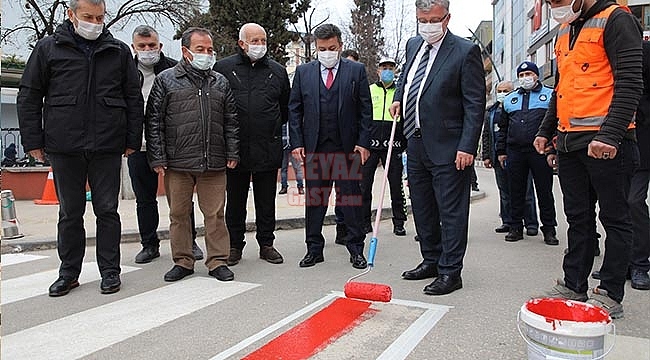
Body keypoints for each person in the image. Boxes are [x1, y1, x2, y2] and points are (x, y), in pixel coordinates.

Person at [17, 0, 143, 296]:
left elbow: (133, 98)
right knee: (70, 213)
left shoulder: (119, 51)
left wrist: (131, 140)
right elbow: (30, 95)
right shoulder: (49, 48)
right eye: (88, 16)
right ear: (71, 15)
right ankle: (69, 273)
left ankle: (110, 272)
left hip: (107, 145)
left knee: (107, 211)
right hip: (65, 145)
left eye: (99, 17)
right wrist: (33, 141)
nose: (94, 23)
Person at [535, 0, 642, 318]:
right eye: (550, 2)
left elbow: (630, 83)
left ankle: (610, 291)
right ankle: (573, 284)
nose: (556, 6)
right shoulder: (565, 29)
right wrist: (546, 130)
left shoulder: (617, 20)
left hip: (608, 144)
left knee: (616, 218)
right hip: (570, 143)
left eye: (560, 0)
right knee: (579, 218)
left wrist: (609, 135)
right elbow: (562, 88)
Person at [389, 0, 485, 295]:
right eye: (422, 19)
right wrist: (399, 98)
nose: (428, 25)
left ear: (447, 18)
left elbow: (474, 103)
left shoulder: (465, 51)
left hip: (449, 146)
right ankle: (430, 259)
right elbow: (408, 76)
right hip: (415, 142)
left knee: (451, 211)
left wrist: (468, 145)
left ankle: (450, 271)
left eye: (434, 19)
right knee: (423, 207)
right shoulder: (412, 44)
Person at [146, 27, 239, 282]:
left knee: (215, 214)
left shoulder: (220, 81)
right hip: (178, 162)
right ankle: (183, 261)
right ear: (185, 51)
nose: (206, 55)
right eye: (200, 49)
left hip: (214, 162)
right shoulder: (165, 80)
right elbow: (154, 121)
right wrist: (158, 157)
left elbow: (231, 120)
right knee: (178, 214)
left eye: (210, 50)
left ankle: (217, 261)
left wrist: (232, 151)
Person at [289, 24, 372, 269]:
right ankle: (314, 249)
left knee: (350, 201)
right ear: (315, 48)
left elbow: (365, 111)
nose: (327, 52)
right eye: (322, 49)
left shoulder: (355, 71)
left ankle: (356, 249)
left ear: (340, 46)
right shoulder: (304, 73)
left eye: (332, 48)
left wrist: (363, 143)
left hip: (347, 149)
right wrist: (297, 143)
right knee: (315, 201)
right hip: (316, 147)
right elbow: (295, 110)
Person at [214, 23, 290, 266]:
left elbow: (285, 109)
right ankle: (234, 245)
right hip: (235, 149)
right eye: (254, 41)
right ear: (242, 44)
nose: (259, 46)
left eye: (263, 40)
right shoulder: (224, 68)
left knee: (266, 201)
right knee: (235, 201)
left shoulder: (277, 71)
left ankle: (266, 244)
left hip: (267, 146)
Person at [129, 25, 203, 264]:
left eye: (152, 45)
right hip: (139, 145)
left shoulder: (174, 69)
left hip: (173, 145)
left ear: (160, 46)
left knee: (180, 198)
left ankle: (189, 241)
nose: (148, 50)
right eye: (142, 46)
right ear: (134, 48)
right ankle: (149, 244)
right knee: (145, 198)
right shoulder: (125, 72)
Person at [496, 61, 559, 245]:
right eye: (522, 76)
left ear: (536, 75)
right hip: (515, 151)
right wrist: (501, 151)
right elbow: (503, 128)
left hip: (540, 151)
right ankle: (516, 227)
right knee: (516, 191)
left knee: (544, 191)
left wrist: (553, 150)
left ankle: (549, 229)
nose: (525, 78)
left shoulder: (549, 95)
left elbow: (556, 125)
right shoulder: (510, 99)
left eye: (529, 74)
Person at [482, 80, 539, 235]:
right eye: (499, 91)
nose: (502, 94)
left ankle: (531, 223)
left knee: (525, 191)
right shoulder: (491, 111)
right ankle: (508, 221)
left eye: (506, 90)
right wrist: (486, 156)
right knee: (504, 191)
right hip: (498, 156)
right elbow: (486, 134)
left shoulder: (519, 106)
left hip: (517, 155)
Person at [361, 57, 408, 236]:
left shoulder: (399, 93)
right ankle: (365, 222)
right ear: (378, 71)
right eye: (384, 68)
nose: (387, 70)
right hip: (371, 145)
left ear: (394, 71)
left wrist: (402, 142)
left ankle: (399, 222)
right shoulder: (370, 90)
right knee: (364, 185)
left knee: (396, 186)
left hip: (393, 145)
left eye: (390, 67)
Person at [333, 48, 363, 243]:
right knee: (337, 192)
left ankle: (355, 231)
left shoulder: (358, 81)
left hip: (351, 146)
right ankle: (341, 227)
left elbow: (364, 112)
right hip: (329, 144)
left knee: (351, 191)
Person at [279, 122, 304, 195]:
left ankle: (300, 186)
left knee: (297, 168)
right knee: (283, 168)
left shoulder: (294, 120)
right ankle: (284, 186)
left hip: (294, 146)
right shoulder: (282, 120)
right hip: (283, 146)